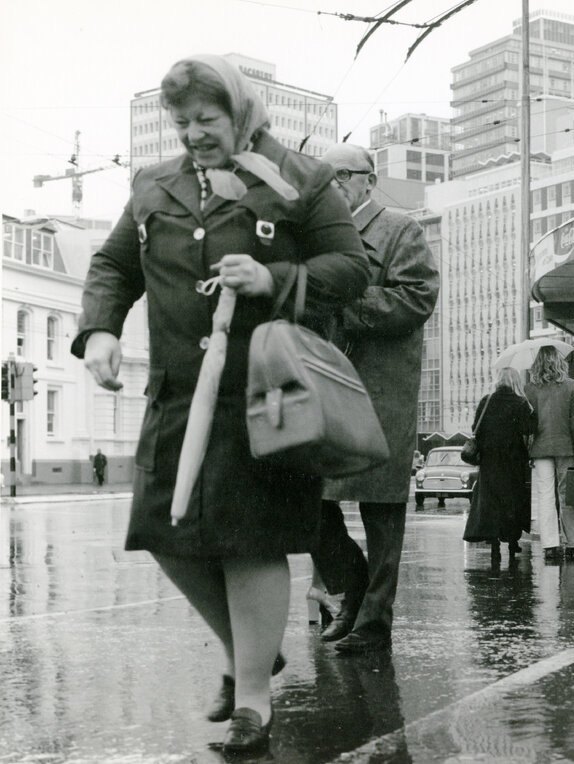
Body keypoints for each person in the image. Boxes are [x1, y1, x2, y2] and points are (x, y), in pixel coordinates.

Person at [72, 55, 369, 754]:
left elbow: (351, 268)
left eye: (207, 119)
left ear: (240, 112)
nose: (193, 133)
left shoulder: (300, 179)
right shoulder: (153, 185)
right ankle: (252, 651)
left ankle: (254, 702)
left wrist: (276, 274)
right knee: (163, 533)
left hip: (265, 394)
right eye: (182, 122)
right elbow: (114, 266)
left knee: (252, 542)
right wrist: (101, 331)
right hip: (176, 393)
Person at [310, 144, 439, 653]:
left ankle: (374, 622)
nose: (333, 184)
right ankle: (354, 588)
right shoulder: (321, 239)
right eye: (326, 178)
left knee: (381, 509)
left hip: (382, 388)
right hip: (324, 384)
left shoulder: (400, 230)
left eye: (342, 175)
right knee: (308, 500)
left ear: (368, 179)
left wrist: (345, 300)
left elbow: (417, 297)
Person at [462, 367, 536, 563]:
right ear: (515, 382)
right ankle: (512, 543)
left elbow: (475, 427)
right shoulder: (521, 403)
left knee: (491, 502)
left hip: (489, 460)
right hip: (513, 461)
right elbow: (528, 429)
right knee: (511, 501)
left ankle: (494, 545)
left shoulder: (486, 401)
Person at [524, 346, 574, 561]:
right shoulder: (571, 386)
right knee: (567, 496)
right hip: (566, 447)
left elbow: (528, 424)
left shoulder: (530, 389)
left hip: (540, 449)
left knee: (545, 495)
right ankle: (573, 544)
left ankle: (550, 545)